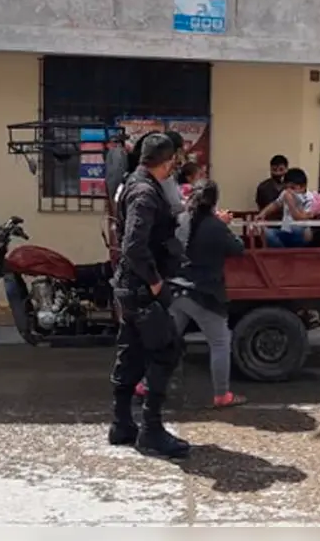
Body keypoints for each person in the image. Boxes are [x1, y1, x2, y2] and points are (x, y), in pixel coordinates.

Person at [108, 132, 190, 459]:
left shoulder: (134, 183)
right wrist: (155, 281)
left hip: (131, 287)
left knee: (132, 352)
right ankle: (151, 431)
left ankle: (121, 424)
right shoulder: (144, 192)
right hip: (142, 288)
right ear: (168, 162)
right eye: (173, 162)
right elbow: (133, 246)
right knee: (167, 350)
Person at [169, 180, 247, 408]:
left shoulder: (182, 219)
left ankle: (144, 384)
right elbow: (238, 249)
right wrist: (225, 224)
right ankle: (222, 395)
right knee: (221, 343)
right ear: (214, 202)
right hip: (204, 293)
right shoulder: (215, 226)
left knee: (167, 341)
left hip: (177, 289)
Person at [255, 168, 314, 248]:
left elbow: (300, 218)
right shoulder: (286, 193)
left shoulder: (310, 198)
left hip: (301, 234)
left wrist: (290, 202)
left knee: (296, 227)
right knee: (267, 233)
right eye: (287, 188)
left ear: (303, 187)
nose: (289, 191)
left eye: (293, 188)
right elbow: (276, 204)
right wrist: (262, 214)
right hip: (285, 232)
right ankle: (283, 252)